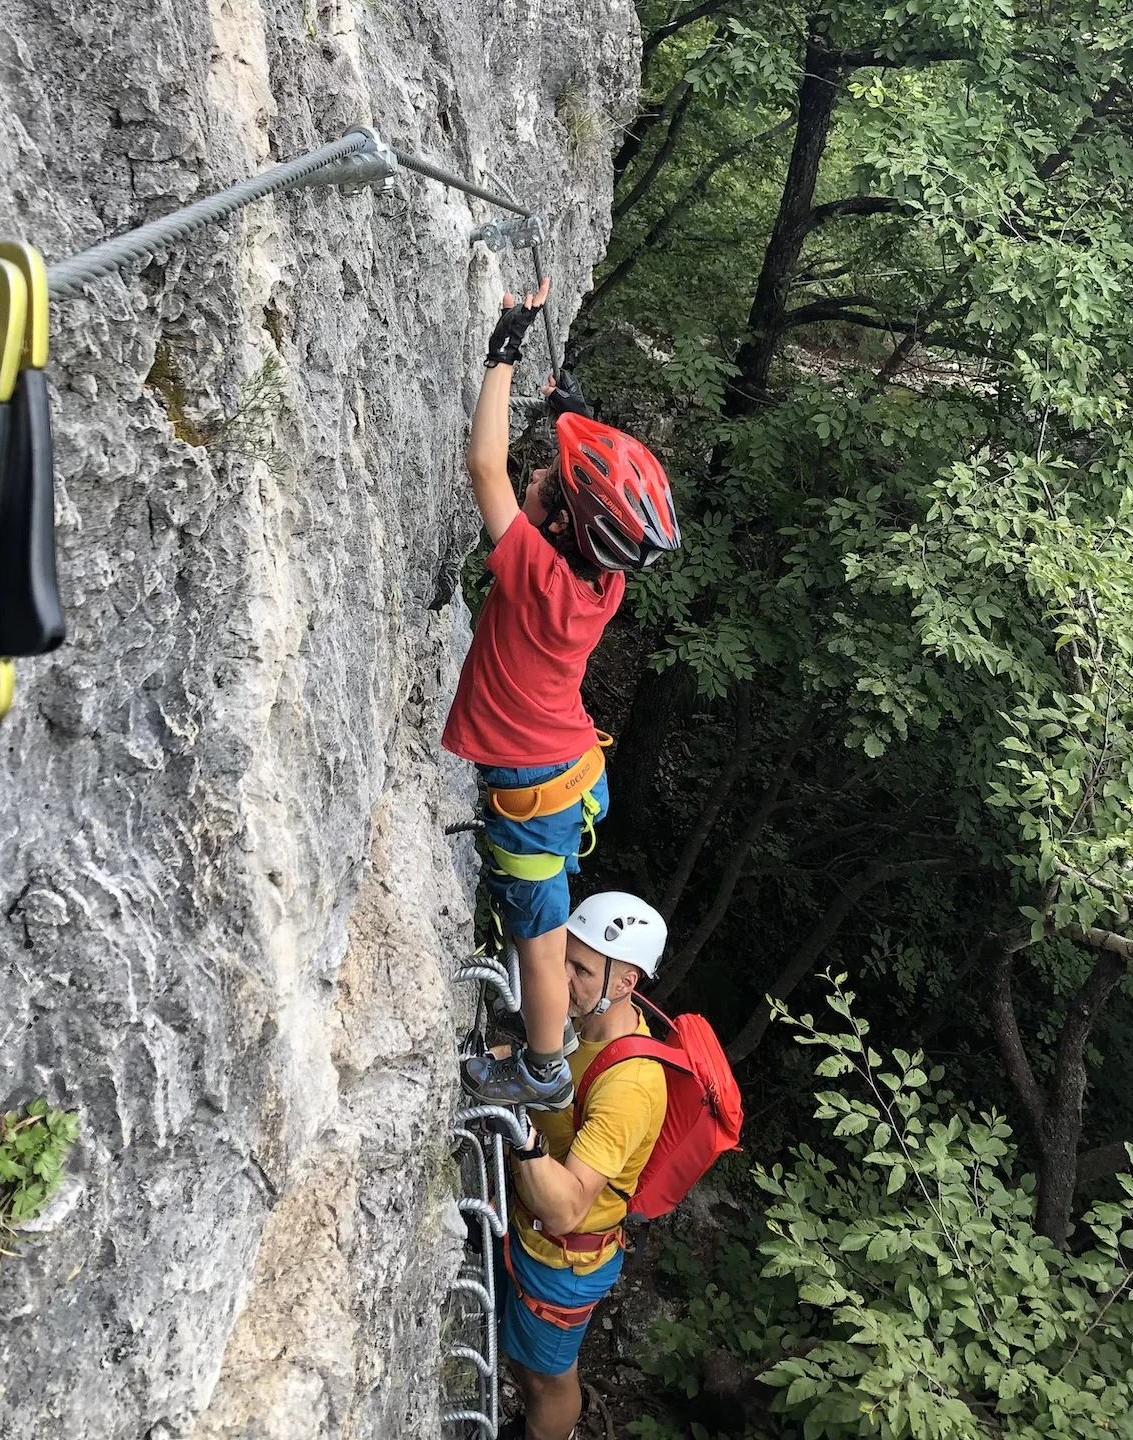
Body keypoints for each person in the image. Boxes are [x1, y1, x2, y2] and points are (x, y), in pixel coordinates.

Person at [445, 279, 681, 1109]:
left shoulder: (537, 575)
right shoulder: (597, 581)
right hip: (563, 768)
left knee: (539, 940)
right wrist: (571, 419)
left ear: (553, 528)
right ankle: (540, 1054)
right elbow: (559, 501)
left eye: (545, 479)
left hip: (533, 787)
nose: (533, 473)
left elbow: (484, 466)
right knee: (540, 926)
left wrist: (503, 348)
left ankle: (542, 1067)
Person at [496, 891, 670, 1440]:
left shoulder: (631, 1086)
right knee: (527, 1366)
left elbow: (569, 1206)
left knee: (548, 1381)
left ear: (625, 983)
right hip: (530, 1234)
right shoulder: (581, 1027)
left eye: (582, 969)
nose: (563, 977)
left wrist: (519, 1126)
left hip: (564, 1258)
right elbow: (553, 1083)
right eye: (565, 957)